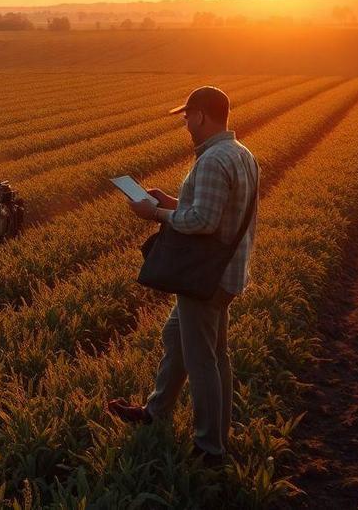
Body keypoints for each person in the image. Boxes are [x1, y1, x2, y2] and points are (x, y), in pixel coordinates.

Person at [108, 85, 259, 466]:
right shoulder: (241, 154)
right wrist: (169, 201)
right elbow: (215, 210)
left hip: (204, 277)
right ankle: (156, 411)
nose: (186, 124)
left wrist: (154, 214)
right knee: (179, 339)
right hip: (224, 272)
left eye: (188, 117)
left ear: (203, 116)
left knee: (204, 360)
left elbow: (203, 221)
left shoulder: (211, 161)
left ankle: (210, 448)